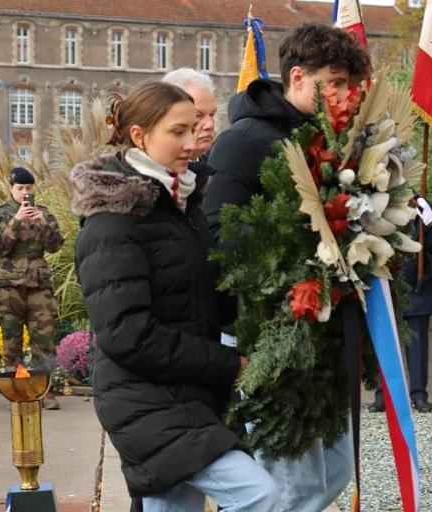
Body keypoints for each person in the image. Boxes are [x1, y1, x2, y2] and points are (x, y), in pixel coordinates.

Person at [71, 81, 279, 512]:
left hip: (184, 394)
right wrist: (229, 365)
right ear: (139, 136)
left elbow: (203, 297)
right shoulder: (113, 221)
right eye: (178, 131)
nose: (192, 142)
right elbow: (127, 334)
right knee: (263, 495)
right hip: (147, 402)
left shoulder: (179, 204)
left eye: (197, 127)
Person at [202, 21, 370, 511]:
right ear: (298, 77)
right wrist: (302, 241)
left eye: (351, 84)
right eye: (334, 82)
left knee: (335, 473)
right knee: (290, 487)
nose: (345, 95)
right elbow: (217, 235)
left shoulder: (327, 141)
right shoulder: (245, 140)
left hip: (326, 334)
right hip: (268, 332)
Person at [0, 166, 64, 409]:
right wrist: (16, 221)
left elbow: (55, 246)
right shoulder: (2, 214)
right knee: (12, 340)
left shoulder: (44, 213)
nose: (24, 193)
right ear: (11, 189)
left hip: (38, 285)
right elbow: (0, 248)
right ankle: (17, 390)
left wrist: (42, 224)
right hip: (9, 285)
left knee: (44, 339)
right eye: (20, 188)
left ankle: (44, 392)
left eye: (28, 188)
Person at [371, 196, 432, 414]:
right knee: (385, 343)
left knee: (417, 345)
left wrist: (431, 222)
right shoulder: (379, 201)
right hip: (387, 282)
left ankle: (419, 395)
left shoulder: (423, 205)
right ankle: (383, 394)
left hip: (416, 285)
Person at [161, 68, 217, 162]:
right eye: (198, 115)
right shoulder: (144, 174)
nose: (210, 125)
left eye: (212, 115)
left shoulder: (221, 166)